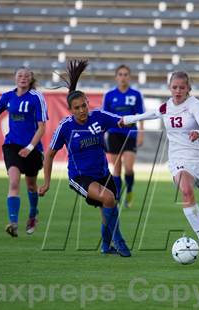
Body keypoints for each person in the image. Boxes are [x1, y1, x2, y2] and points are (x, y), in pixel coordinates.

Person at [121, 71, 199, 263]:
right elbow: (149, 114)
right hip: (178, 159)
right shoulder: (166, 107)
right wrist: (128, 120)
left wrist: (198, 132)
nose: (178, 90)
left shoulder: (195, 106)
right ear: (169, 88)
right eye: (174, 87)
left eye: (182, 87)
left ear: (188, 88)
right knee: (186, 191)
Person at [38, 59, 131, 257]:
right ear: (70, 110)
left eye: (84, 105)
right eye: (77, 108)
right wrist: (46, 183)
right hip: (80, 177)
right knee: (108, 198)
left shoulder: (98, 116)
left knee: (110, 208)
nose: (82, 110)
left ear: (88, 103)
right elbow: (49, 155)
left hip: (102, 173)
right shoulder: (66, 126)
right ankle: (119, 242)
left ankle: (106, 247)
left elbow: (121, 121)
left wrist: (147, 117)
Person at [0, 67, 48, 237]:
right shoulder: (7, 96)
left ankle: (33, 214)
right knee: (14, 182)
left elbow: (42, 128)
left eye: (26, 75)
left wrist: (29, 148)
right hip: (12, 145)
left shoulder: (37, 98)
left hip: (32, 148)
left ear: (31, 79)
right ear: (15, 78)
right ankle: (13, 223)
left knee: (31, 185)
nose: (23, 78)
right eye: (20, 75)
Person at [102, 65, 145, 208]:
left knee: (128, 168)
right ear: (116, 77)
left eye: (126, 74)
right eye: (120, 74)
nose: (123, 77)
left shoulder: (135, 94)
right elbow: (104, 117)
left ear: (129, 77)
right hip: (114, 134)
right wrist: (102, 134)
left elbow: (140, 115)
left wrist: (141, 132)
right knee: (116, 169)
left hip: (130, 134)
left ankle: (130, 191)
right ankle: (118, 195)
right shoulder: (109, 95)